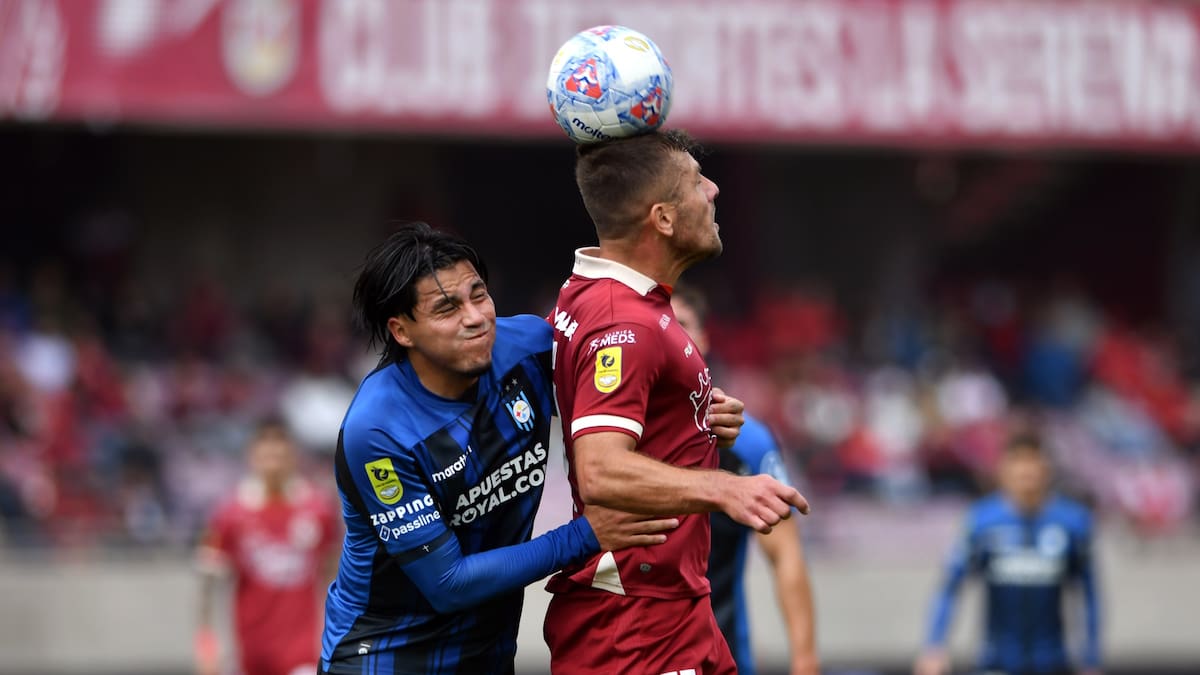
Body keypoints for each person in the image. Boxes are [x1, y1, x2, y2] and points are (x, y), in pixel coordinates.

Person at [320, 223, 692, 674]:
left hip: (488, 654)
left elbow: (613, 383)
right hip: (385, 654)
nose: (476, 317)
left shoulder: (528, 348)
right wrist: (586, 535)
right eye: (447, 308)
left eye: (479, 295)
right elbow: (447, 582)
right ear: (402, 331)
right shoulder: (378, 429)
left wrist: (697, 405)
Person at [543, 129, 811, 675]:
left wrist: (693, 414)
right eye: (695, 181)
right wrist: (725, 486)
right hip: (636, 627)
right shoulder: (625, 323)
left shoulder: (602, 295)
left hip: (675, 608)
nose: (712, 190)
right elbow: (599, 469)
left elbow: (582, 396)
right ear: (662, 219)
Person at [671, 283, 820, 675]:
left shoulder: (748, 442)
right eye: (660, 325)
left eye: (681, 324)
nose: (670, 336)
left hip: (721, 656)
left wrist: (805, 661)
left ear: (703, 338)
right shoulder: (616, 438)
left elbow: (786, 555)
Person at [914, 434, 1102, 675]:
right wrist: (934, 645)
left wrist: (1091, 658)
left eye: (1033, 461)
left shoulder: (1073, 523)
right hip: (996, 662)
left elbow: (1089, 594)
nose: (1026, 471)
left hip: (1052, 662)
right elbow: (950, 586)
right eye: (1018, 462)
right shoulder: (982, 521)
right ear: (1003, 469)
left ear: (1047, 468)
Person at [195, 418, 340, 675]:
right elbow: (209, 587)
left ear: (294, 455)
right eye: (265, 448)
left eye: (280, 448)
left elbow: (334, 579)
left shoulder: (319, 510)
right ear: (252, 455)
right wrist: (207, 646)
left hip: (302, 651)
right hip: (249, 653)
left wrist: (335, 635)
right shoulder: (230, 515)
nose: (274, 456)